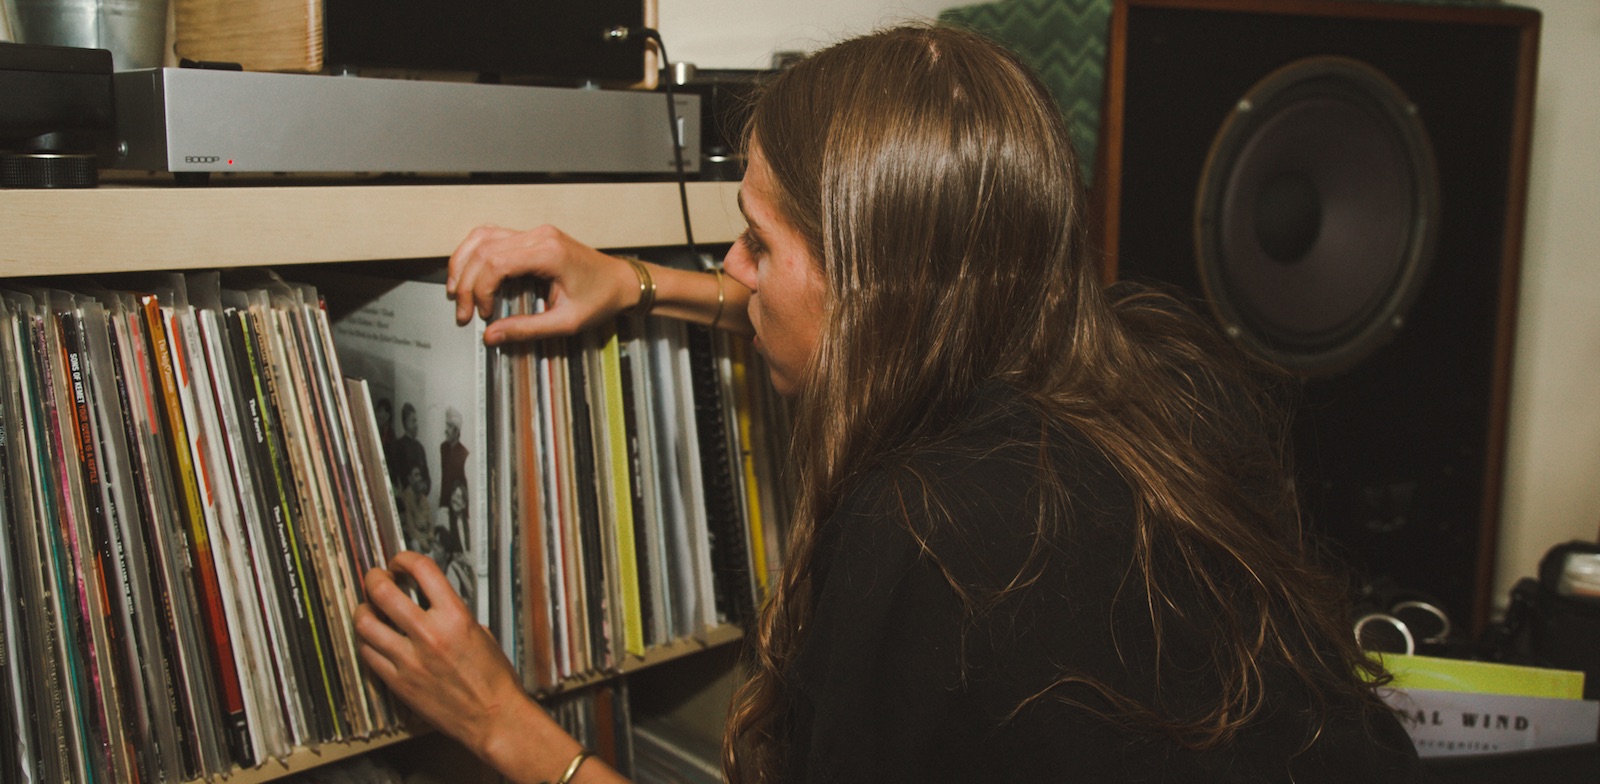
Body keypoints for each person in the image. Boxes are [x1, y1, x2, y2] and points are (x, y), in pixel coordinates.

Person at [353, 24, 1427, 784]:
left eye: (757, 241)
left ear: (869, 290)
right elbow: (906, 309)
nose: (732, 268)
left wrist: (502, 724)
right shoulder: (1157, 373)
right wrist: (638, 283)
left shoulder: (925, 533)